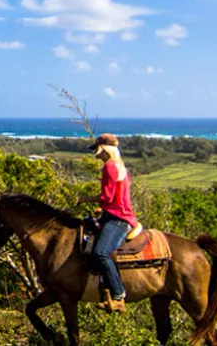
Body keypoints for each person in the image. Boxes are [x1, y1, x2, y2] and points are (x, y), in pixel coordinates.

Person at [78, 133, 139, 313]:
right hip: (113, 214)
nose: (95, 152)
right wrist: (101, 208)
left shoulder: (110, 167)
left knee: (101, 253)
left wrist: (85, 199)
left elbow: (107, 197)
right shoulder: (120, 166)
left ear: (104, 148)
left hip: (118, 219)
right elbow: (115, 198)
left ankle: (118, 295)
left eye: (97, 148)